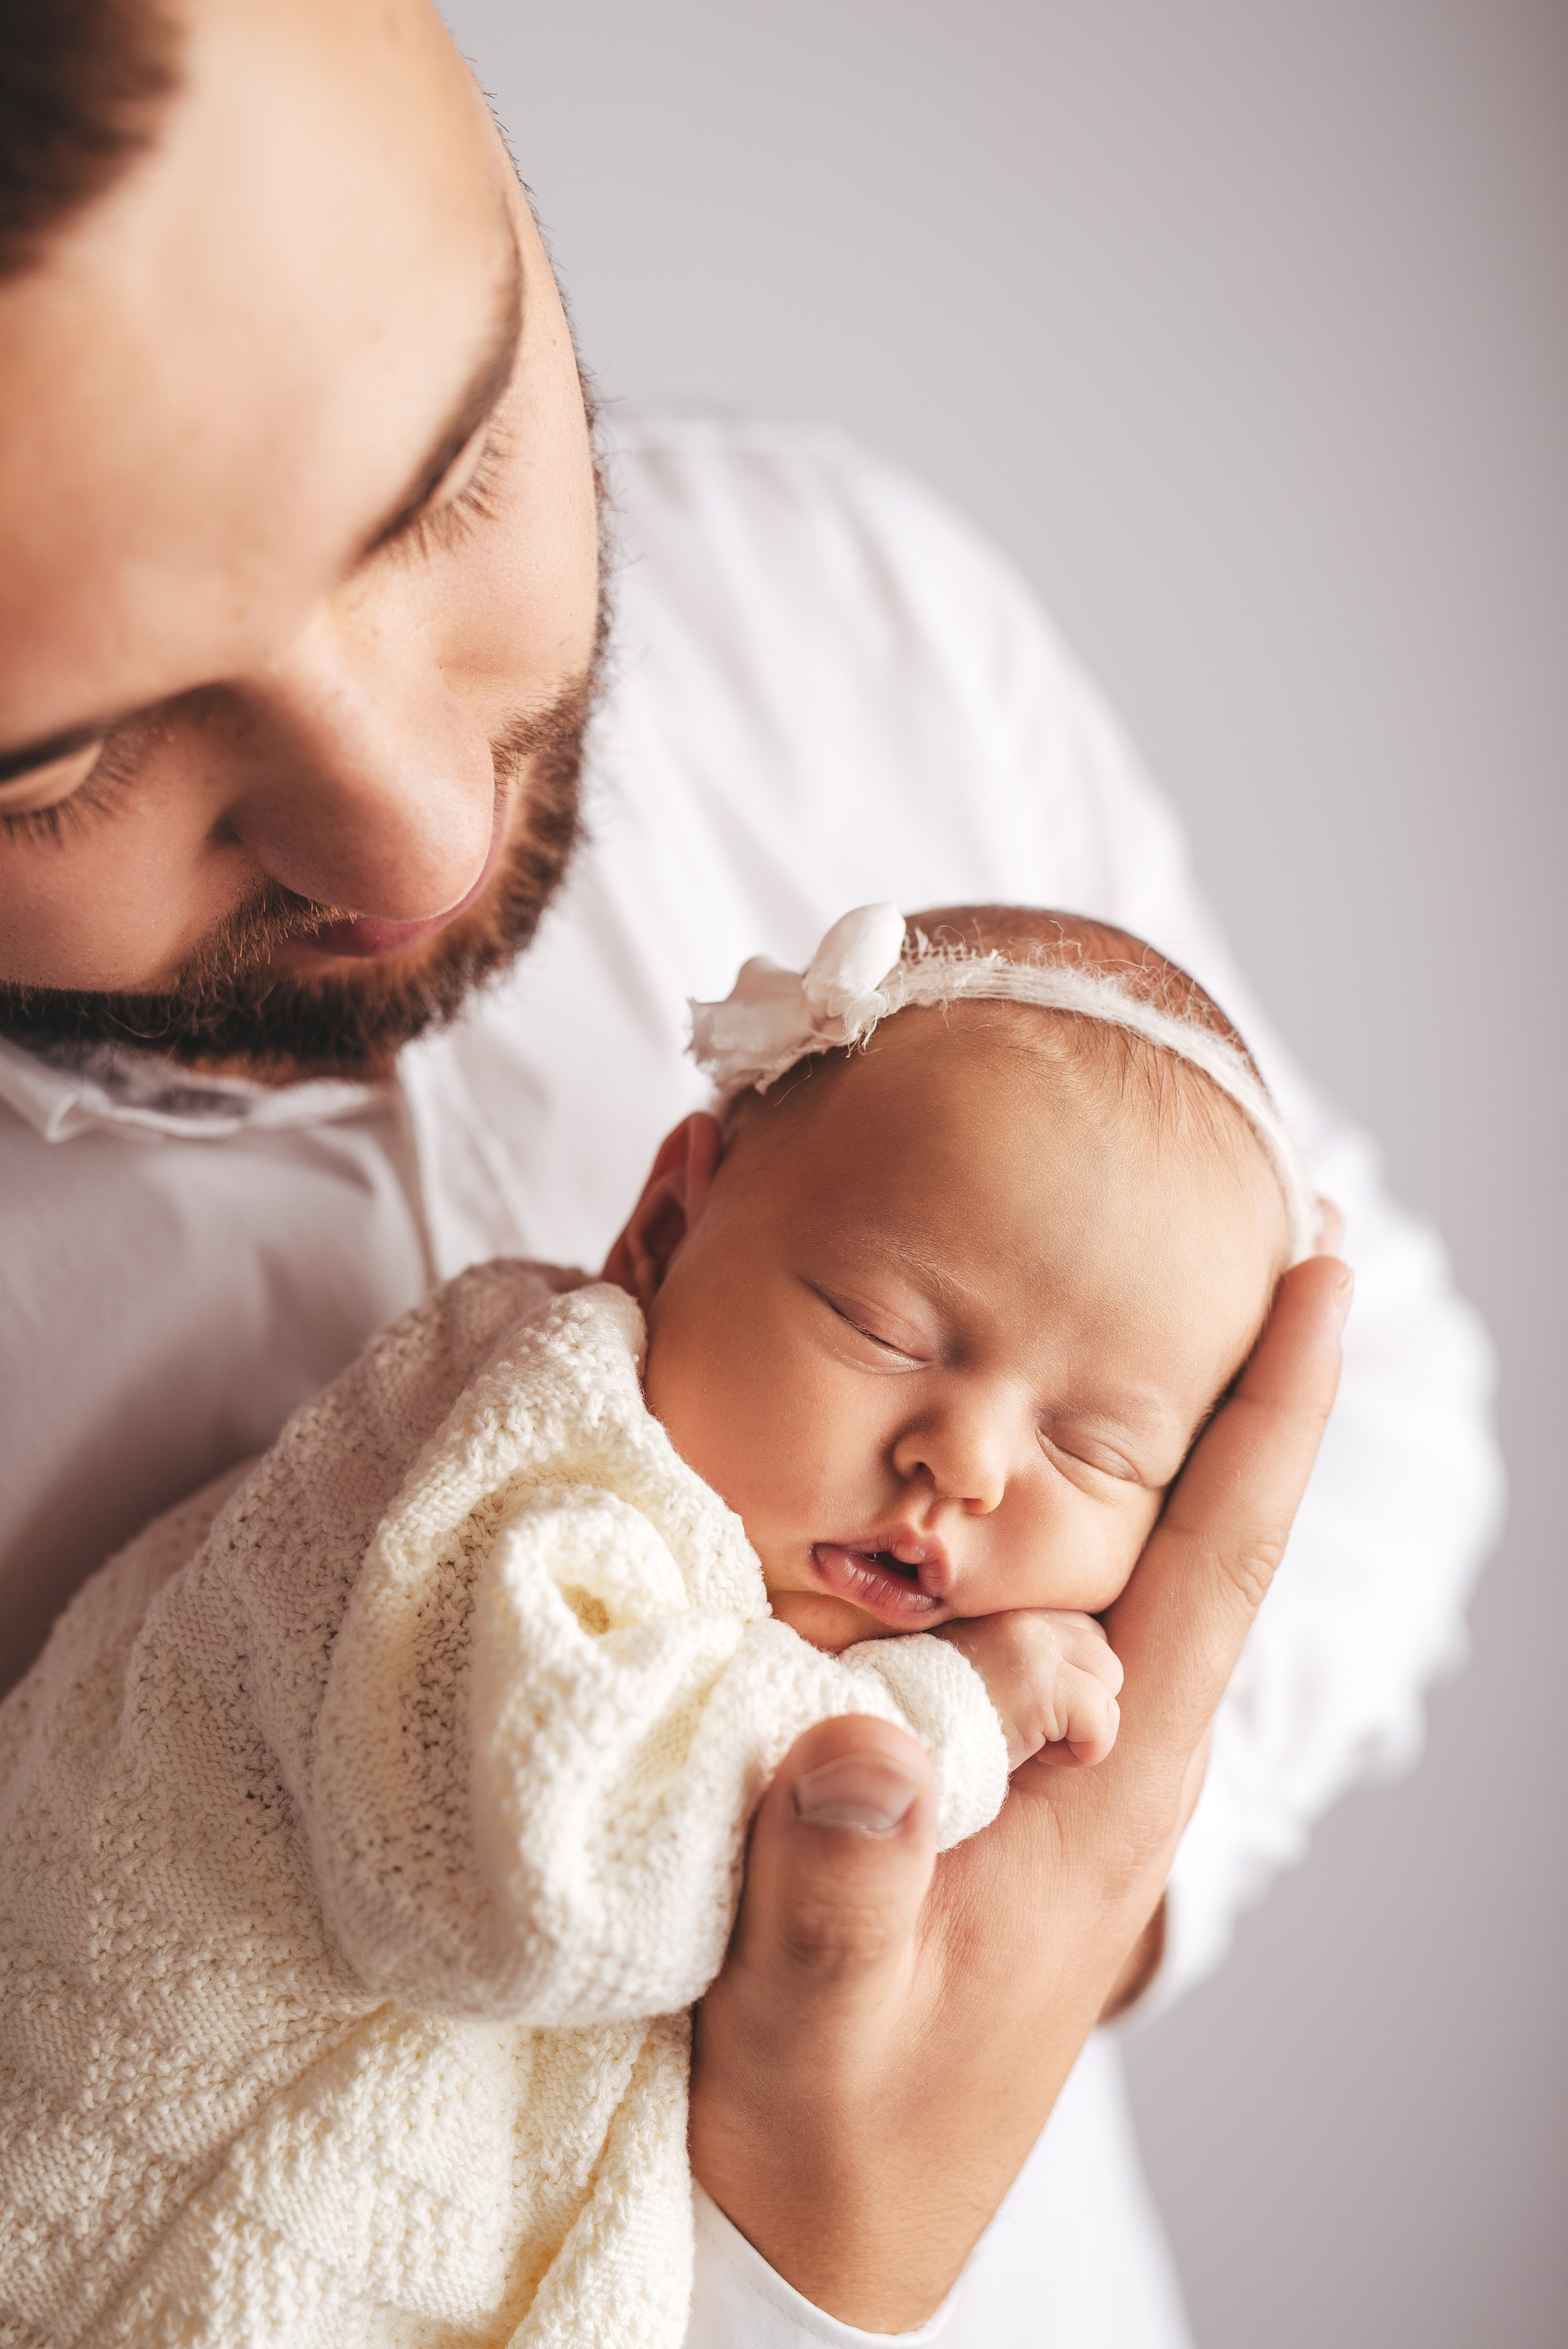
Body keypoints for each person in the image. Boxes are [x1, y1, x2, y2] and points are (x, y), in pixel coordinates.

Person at [0, 1, 1501, 2341]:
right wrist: (804, 2237)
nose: (421, 836)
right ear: (672, 1210)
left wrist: (1039, 1942)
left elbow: (1378, 1405)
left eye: (456, 479)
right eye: (58, 766)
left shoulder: (836, 615)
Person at [2, 905, 1322, 2345]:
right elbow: (535, 1863)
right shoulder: (517, 1457)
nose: (967, 1461)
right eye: (883, 1327)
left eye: (1093, 1449)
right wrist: (941, 1721)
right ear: (664, 1229)